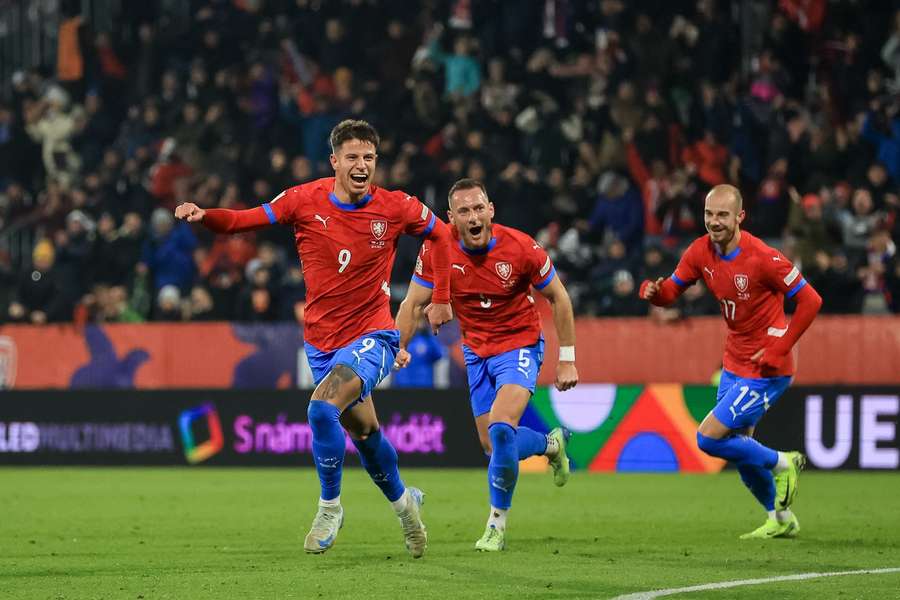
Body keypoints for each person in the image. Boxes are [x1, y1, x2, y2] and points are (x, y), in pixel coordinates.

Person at [174, 119, 453, 558]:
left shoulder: (397, 207)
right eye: (353, 158)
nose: (361, 166)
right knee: (366, 435)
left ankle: (329, 507)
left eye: (369, 158)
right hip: (322, 342)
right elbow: (245, 221)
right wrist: (205, 215)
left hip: (375, 334)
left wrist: (441, 297)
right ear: (335, 162)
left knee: (321, 409)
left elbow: (444, 236)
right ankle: (406, 508)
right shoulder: (304, 200)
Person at [395, 178, 578, 552]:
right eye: (464, 211)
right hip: (477, 352)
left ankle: (496, 523)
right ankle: (550, 444)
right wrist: (398, 347)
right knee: (495, 447)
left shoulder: (522, 248)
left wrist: (567, 360)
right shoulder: (437, 249)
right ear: (452, 218)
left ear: (491, 209)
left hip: (520, 345)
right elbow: (413, 303)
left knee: (500, 427)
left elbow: (559, 297)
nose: (473, 216)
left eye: (479, 208)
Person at [639, 184, 822, 539]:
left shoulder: (763, 257)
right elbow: (671, 291)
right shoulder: (699, 252)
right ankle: (781, 519)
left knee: (708, 439)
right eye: (709, 214)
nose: (714, 222)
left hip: (767, 367)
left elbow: (811, 301)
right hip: (735, 361)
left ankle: (785, 462)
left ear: (740, 217)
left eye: (722, 215)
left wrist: (780, 347)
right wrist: (653, 292)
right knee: (740, 450)